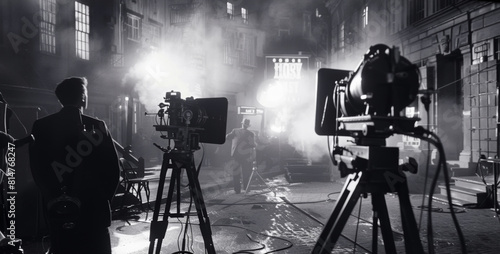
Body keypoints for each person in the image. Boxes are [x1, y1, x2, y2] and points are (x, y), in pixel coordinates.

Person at [29, 77, 120, 254]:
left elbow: (37, 169)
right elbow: (113, 170)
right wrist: (103, 199)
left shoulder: (41, 126)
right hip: (94, 211)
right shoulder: (98, 126)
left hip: (59, 209)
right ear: (83, 98)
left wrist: (52, 198)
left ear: (60, 99)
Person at [225, 118, 256, 193]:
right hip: (242, 155)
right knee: (243, 172)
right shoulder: (249, 133)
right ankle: (244, 188)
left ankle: (239, 189)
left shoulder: (236, 131)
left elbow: (227, 137)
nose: (245, 125)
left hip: (240, 155)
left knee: (239, 173)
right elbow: (252, 145)